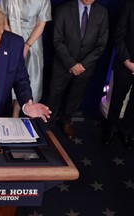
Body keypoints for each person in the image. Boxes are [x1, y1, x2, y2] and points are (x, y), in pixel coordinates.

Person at [45, 0, 108, 139]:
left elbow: (102, 44)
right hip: (63, 64)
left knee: (75, 96)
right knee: (53, 96)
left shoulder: (102, 13)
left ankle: (66, 121)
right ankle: (46, 125)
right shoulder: (63, 9)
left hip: (86, 67)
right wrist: (71, 64)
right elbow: (57, 40)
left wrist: (83, 65)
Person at [0, 0, 52, 117]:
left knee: (28, 79)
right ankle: (10, 112)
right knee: (9, 76)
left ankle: (17, 112)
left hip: (32, 41)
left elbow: (41, 24)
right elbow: (4, 21)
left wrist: (26, 46)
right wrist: (14, 44)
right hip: (10, 38)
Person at [104, 0, 134, 149]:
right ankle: (111, 129)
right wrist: (127, 62)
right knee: (116, 100)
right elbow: (119, 36)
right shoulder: (129, 5)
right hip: (125, 64)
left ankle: (127, 131)